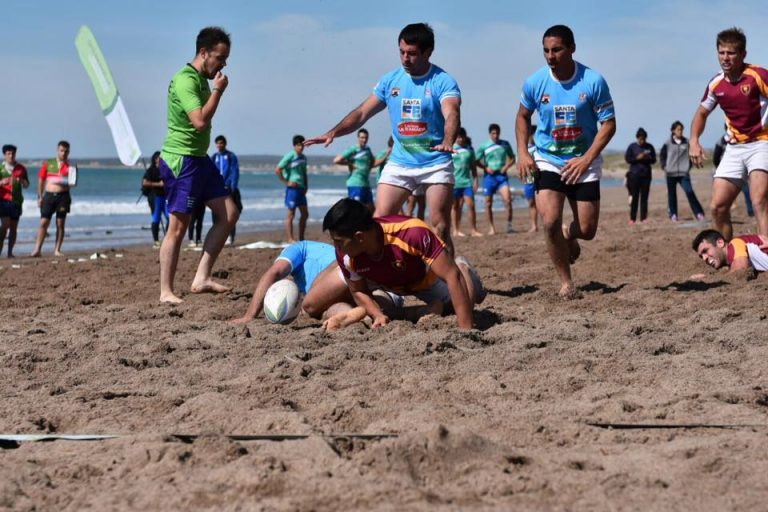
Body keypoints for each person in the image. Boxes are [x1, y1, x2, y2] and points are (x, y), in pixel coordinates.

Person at [305, 23, 461, 256]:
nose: (405, 58)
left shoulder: (442, 81)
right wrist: (333, 132)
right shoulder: (391, 81)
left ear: (428, 52)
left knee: (440, 226)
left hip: (435, 161)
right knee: (377, 223)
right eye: (401, 52)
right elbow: (361, 113)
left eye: (412, 53)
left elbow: (452, 113)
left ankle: (450, 278)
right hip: (401, 162)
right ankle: (382, 279)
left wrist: (449, 139)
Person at [515, 25, 616, 298]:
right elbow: (523, 116)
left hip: (584, 160)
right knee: (549, 221)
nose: (551, 56)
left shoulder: (592, 81)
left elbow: (608, 124)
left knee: (587, 229)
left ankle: (567, 234)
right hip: (548, 158)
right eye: (546, 50)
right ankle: (566, 283)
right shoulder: (536, 82)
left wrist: (586, 159)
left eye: (557, 49)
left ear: (572, 48)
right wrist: (524, 153)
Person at [157, 26, 239, 303]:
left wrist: (213, 88)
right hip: (182, 160)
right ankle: (166, 291)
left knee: (229, 213)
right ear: (204, 53)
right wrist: (219, 91)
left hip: (199, 159)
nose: (223, 64)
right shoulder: (186, 80)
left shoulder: (201, 78)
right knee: (178, 227)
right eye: (220, 57)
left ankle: (201, 277)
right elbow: (200, 121)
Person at [323, 198, 485, 330]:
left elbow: (452, 276)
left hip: (424, 280)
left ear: (359, 237)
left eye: (338, 242)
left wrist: (466, 331)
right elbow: (358, 290)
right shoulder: (345, 253)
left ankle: (463, 266)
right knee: (313, 305)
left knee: (464, 304)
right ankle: (406, 308)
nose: (336, 247)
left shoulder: (411, 232)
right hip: (389, 284)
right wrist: (377, 314)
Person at [690, 27, 768, 242]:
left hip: (762, 142)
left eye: (731, 53)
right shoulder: (716, 83)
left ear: (743, 54)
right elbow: (701, 113)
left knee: (759, 200)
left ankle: (766, 254)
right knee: (718, 206)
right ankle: (727, 252)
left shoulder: (757, 75)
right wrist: (694, 140)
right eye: (721, 52)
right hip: (734, 147)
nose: (725, 58)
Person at [31, 140, 74, 257]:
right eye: (61, 151)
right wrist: (39, 197)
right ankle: (37, 249)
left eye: (66, 151)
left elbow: (73, 183)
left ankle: (57, 250)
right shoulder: (48, 163)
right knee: (43, 222)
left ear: (69, 152)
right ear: (57, 151)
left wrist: (63, 181)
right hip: (49, 196)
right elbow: (41, 180)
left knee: (60, 224)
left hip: (63, 197)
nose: (63, 153)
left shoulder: (72, 166)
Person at [660, 121, 705, 223]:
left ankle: (699, 213)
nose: (680, 131)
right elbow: (662, 156)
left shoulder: (687, 142)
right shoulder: (667, 143)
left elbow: (691, 155)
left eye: (681, 129)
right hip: (670, 173)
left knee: (689, 192)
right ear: (673, 131)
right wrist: (665, 167)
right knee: (672, 195)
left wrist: (688, 166)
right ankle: (673, 215)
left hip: (683, 173)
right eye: (678, 129)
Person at [475, 123, 516, 234]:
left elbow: (513, 158)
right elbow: (476, 160)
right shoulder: (484, 146)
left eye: (497, 133)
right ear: (490, 134)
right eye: (493, 133)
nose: (496, 135)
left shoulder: (505, 144)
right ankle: (491, 228)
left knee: (507, 200)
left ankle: (509, 225)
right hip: (489, 177)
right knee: (488, 203)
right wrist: (485, 167)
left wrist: (506, 166)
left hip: (502, 176)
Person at [713, 125, 754, 217]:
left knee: (747, 191)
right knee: (724, 196)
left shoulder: (742, 139)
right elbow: (716, 156)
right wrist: (719, 168)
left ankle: (751, 211)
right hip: (726, 171)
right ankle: (726, 213)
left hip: (741, 171)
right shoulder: (721, 141)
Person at [276, 135, 309, 242]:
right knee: (291, 214)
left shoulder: (303, 158)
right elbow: (278, 169)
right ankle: (290, 238)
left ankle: (301, 237)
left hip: (301, 188)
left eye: (302, 145)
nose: (301, 147)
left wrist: (306, 185)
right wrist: (286, 182)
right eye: (299, 145)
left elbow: (304, 173)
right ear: (294, 146)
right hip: (292, 189)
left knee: (305, 214)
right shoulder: (290, 156)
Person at [692, 229, 768, 273]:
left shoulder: (735, 243)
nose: (704, 258)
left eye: (705, 251)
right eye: (701, 256)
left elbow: (741, 271)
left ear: (720, 243)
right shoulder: (732, 258)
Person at [335, 128, 375, 211]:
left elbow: (373, 162)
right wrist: (349, 164)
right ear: (358, 138)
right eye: (362, 137)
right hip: (355, 183)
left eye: (366, 138)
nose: (364, 140)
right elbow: (337, 160)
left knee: (371, 210)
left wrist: (386, 156)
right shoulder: (353, 149)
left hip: (365, 184)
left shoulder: (368, 149)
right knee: (356, 210)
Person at [451, 127, 481, 237]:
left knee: (471, 205)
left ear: (464, 137)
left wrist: (476, 181)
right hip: (454, 183)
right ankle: (456, 230)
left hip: (467, 182)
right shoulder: (451, 149)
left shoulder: (469, 150)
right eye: (458, 137)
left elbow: (473, 167)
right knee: (455, 207)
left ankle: (474, 230)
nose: (460, 139)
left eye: (462, 137)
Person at [211, 134, 241, 245]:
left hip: (228, 189)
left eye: (221, 143)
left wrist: (233, 187)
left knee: (230, 214)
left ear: (225, 144)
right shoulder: (214, 157)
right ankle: (218, 238)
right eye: (218, 143)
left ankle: (231, 237)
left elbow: (235, 171)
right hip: (216, 189)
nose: (219, 145)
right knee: (216, 214)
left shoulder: (231, 156)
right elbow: (210, 173)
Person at [0, 144, 29, 258]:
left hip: (16, 202)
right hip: (3, 201)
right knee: (5, 225)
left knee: (13, 228)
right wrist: (1, 182)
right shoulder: (1, 168)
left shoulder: (21, 168)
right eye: (8, 153)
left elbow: (27, 185)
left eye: (13, 153)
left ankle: (10, 253)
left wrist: (21, 180)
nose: (11, 155)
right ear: (4, 155)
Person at [624, 127, 656, 224]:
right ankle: (632, 218)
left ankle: (643, 218)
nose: (642, 141)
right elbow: (628, 159)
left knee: (644, 198)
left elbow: (654, 160)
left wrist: (647, 157)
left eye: (644, 139)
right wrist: (637, 158)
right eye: (640, 138)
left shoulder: (650, 147)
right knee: (635, 197)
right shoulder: (632, 147)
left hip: (646, 176)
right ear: (637, 138)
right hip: (634, 176)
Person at [142, 151, 168, 248]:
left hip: (165, 197)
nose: (161, 159)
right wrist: (158, 184)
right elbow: (145, 183)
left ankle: (167, 238)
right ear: (155, 159)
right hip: (155, 197)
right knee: (156, 218)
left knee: (170, 217)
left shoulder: (165, 170)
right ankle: (156, 241)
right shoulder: (151, 170)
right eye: (159, 158)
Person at [523, 125, 540, 232]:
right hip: (529, 179)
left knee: (542, 202)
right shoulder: (524, 150)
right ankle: (534, 225)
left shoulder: (541, 148)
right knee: (531, 203)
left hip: (541, 178)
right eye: (533, 134)